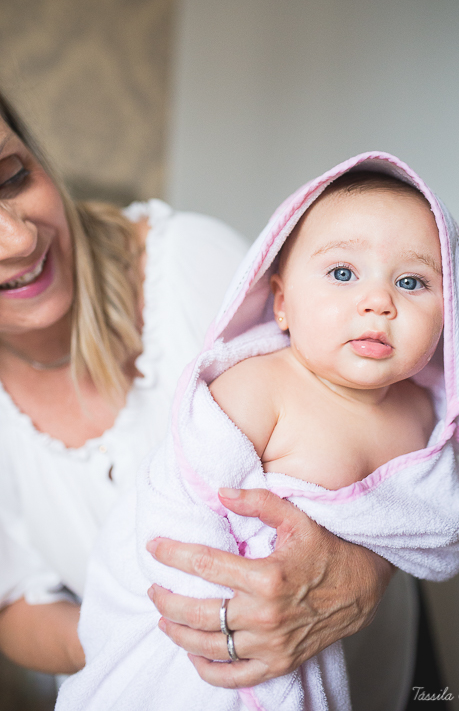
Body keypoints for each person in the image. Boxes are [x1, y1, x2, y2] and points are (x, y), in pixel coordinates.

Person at [0, 95, 406, 708]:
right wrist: (156, 652)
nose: (19, 236)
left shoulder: (192, 264)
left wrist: (359, 576)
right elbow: (13, 605)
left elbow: (391, 433)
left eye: (11, 176)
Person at [56, 155, 459, 710]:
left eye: (412, 282)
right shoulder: (260, 389)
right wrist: (220, 619)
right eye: (343, 273)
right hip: (210, 633)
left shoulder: (421, 417)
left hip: (343, 646)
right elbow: (176, 503)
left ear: (451, 314)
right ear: (282, 303)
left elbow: (437, 535)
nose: (379, 302)